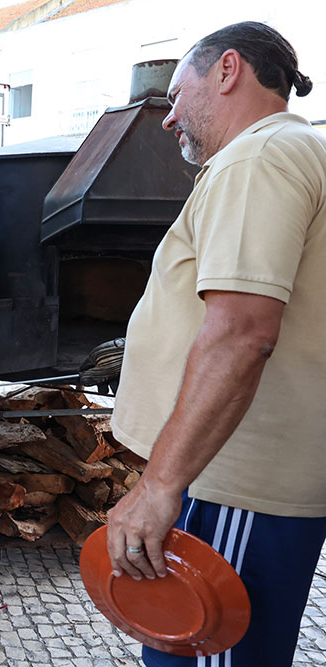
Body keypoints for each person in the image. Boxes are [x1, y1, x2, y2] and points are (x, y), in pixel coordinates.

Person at [104, 21, 326, 666]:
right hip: (235, 473)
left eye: (177, 95)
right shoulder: (293, 151)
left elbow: (241, 332)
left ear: (228, 70)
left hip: (232, 481)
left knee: (202, 655)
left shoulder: (257, 158)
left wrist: (158, 487)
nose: (169, 119)